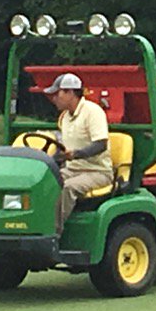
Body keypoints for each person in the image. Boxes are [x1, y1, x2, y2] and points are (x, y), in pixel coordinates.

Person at [43, 72, 113, 233]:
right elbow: (63, 148)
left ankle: (53, 232)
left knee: (68, 187)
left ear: (70, 92)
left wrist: (75, 154)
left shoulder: (93, 112)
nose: (54, 98)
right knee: (46, 183)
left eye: (57, 93)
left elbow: (101, 144)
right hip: (73, 169)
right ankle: (36, 225)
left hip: (98, 172)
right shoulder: (64, 117)